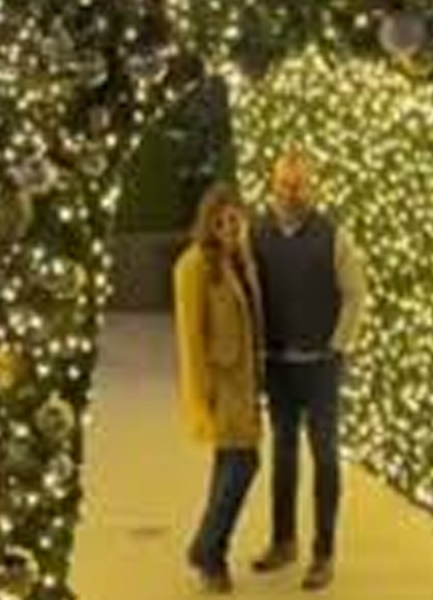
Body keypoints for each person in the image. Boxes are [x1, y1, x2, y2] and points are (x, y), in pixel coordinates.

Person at [249, 150, 367, 591]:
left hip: (321, 368)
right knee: (282, 456)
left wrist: (336, 348)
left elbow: (355, 294)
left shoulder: (334, 236)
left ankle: (323, 553)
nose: (291, 191)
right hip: (278, 365)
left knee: (325, 458)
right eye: (284, 183)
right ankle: (284, 542)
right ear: (273, 184)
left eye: (299, 183)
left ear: (311, 186)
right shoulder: (256, 234)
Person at [174, 184, 264, 593]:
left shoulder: (240, 259)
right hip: (222, 382)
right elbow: (190, 337)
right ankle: (206, 548)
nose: (229, 228)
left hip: (246, 380)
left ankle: (214, 557)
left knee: (229, 464)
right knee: (244, 463)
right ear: (207, 224)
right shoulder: (193, 265)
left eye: (234, 220)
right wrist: (201, 395)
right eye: (220, 222)